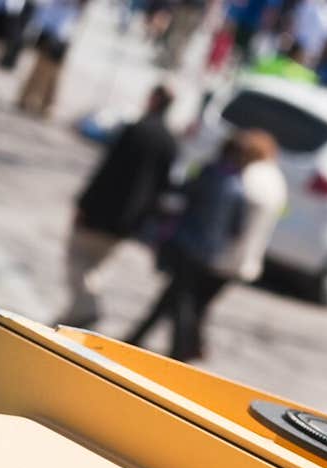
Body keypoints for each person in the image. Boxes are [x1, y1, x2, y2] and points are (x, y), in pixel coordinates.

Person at [127, 127, 286, 361]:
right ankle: (175, 345)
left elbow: (230, 221)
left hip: (217, 255)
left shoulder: (240, 179)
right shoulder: (273, 180)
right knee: (185, 301)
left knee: (185, 301)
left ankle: (180, 350)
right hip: (240, 258)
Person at [58, 85, 178, 327]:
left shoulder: (136, 130)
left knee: (78, 261)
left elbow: (108, 170)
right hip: (131, 219)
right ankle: (73, 317)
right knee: (96, 267)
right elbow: (163, 187)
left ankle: (87, 308)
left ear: (154, 99)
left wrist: (84, 203)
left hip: (102, 210)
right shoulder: (170, 142)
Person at [16, 0, 84, 116]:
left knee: (52, 71)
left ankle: (44, 103)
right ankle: (30, 99)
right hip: (51, 29)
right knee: (42, 68)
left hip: (62, 33)